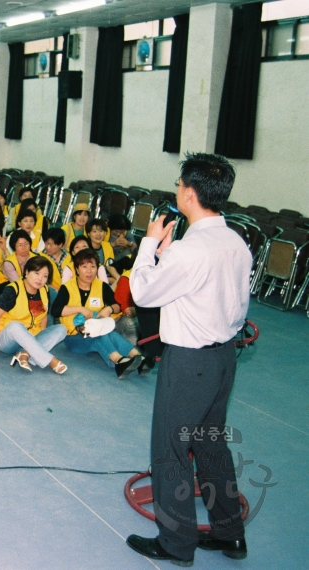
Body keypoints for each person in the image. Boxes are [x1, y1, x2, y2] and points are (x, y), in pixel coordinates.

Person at [126, 153, 250, 566]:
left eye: (180, 185)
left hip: (189, 364)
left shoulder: (190, 250)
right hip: (222, 361)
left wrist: (148, 246)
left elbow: (143, 293)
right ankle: (230, 533)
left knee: (171, 451)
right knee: (211, 445)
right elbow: (200, 288)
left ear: (190, 193)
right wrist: (168, 254)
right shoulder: (235, 241)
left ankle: (175, 546)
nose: (177, 190)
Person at [51, 249, 141, 378]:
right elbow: (56, 310)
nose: (89, 271)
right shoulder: (67, 287)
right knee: (99, 336)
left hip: (96, 329)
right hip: (73, 337)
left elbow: (117, 306)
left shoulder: (102, 286)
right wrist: (79, 309)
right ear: (76, 269)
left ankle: (138, 358)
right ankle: (119, 361)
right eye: (84, 267)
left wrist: (109, 309)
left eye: (93, 266)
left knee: (108, 333)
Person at [0, 256, 67, 374]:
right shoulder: (12, 290)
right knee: (15, 326)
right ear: (27, 272)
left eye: (45, 276)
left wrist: (40, 340)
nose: (40, 279)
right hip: (7, 339)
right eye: (37, 273)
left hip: (31, 336)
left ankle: (25, 353)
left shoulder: (44, 290)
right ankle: (50, 360)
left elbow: (44, 316)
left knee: (61, 329)